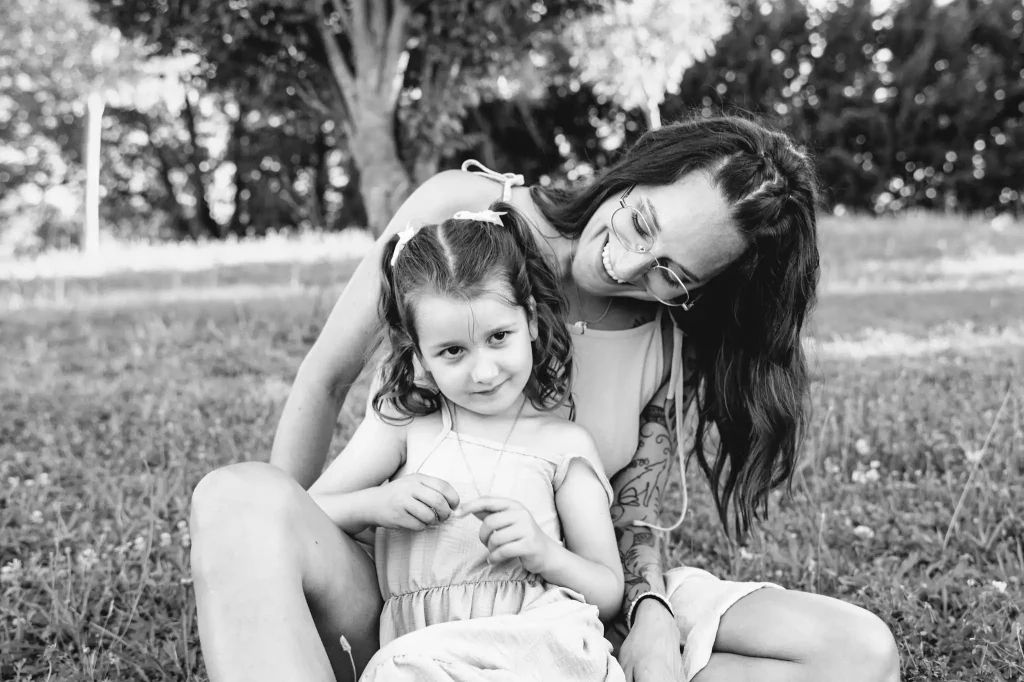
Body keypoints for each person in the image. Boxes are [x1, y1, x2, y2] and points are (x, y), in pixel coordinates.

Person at [190, 116, 901, 682]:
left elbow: (633, 503)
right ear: (636, 171)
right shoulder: (466, 217)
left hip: (570, 605)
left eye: (670, 273)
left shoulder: (668, 334)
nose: (622, 264)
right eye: (641, 223)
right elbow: (324, 378)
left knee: (855, 654)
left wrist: (650, 609)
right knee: (238, 499)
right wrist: (280, 563)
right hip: (405, 591)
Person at [306, 205, 625, 681]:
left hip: (535, 644)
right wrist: (376, 503)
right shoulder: (409, 426)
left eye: (499, 337)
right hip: (424, 658)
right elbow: (306, 511)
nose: (484, 371)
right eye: (453, 350)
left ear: (532, 322)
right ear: (420, 356)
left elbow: (608, 589)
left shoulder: (564, 445)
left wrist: (545, 553)